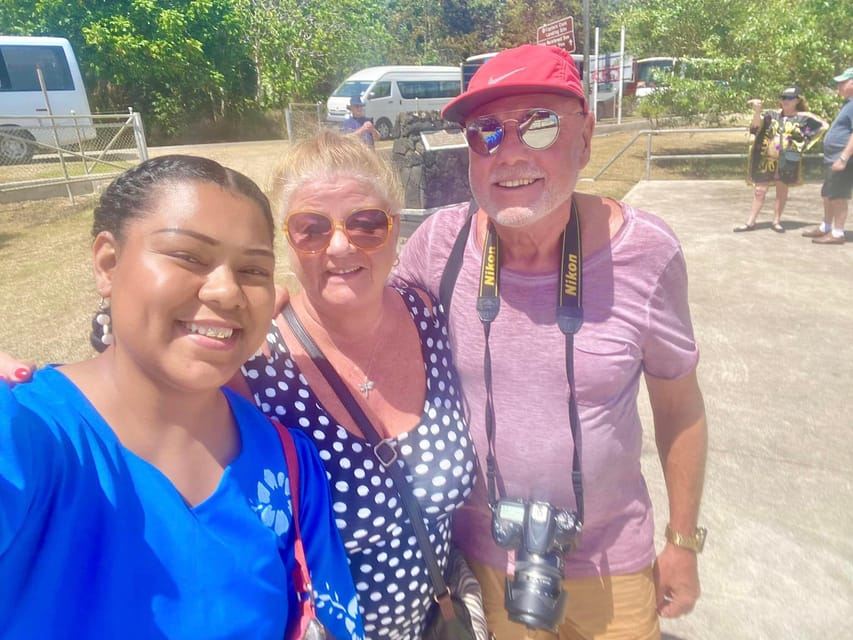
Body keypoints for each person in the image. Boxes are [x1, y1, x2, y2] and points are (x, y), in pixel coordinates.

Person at [1, 134, 481, 640]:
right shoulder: (39, 438)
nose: (341, 244)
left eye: (366, 224)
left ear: (394, 225)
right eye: (312, 228)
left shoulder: (287, 455)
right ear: (107, 262)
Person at [394, 44, 709, 639]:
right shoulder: (440, 244)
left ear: (585, 140)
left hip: (611, 563)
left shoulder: (646, 254)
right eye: (485, 132)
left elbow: (680, 407)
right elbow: (366, 325)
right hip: (484, 558)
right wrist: (279, 311)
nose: (509, 153)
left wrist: (683, 542)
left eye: (539, 126)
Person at [735, 85, 827, 233]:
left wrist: (800, 141)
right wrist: (757, 111)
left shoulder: (803, 118)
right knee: (759, 189)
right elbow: (755, 128)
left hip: (787, 159)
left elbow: (821, 126)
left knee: (781, 189)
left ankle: (776, 221)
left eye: (789, 98)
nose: (785, 101)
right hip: (767, 158)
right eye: (783, 97)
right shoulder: (772, 115)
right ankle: (750, 221)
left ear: (797, 100)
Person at [801, 67, 853, 245]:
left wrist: (844, 158)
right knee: (827, 194)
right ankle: (826, 226)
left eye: (842, 82)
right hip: (833, 158)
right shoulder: (848, 103)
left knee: (838, 196)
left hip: (842, 159)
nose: (838, 86)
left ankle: (837, 233)